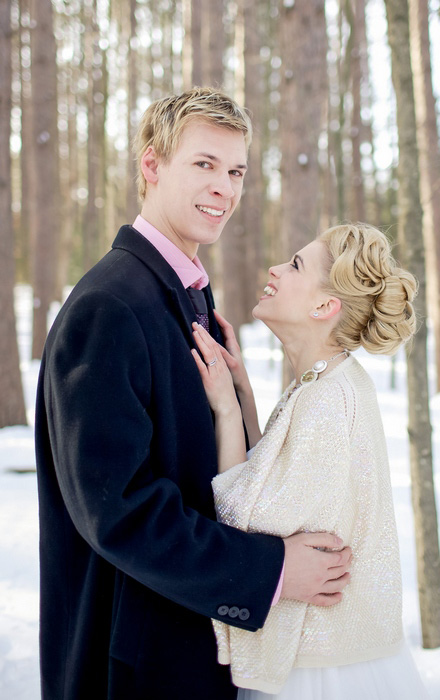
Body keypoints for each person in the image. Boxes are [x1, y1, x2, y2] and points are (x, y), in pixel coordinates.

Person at [34, 87, 352, 700]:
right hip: (129, 664)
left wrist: (243, 411)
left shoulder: (186, 297)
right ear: (151, 166)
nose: (225, 189)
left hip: (187, 653)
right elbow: (119, 511)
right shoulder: (109, 305)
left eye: (235, 171)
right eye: (204, 165)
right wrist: (275, 570)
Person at [192, 222, 431, 699]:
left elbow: (244, 516)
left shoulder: (326, 400)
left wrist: (223, 409)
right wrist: (242, 392)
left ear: (325, 306)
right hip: (337, 653)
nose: (275, 269)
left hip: (319, 673)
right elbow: (276, 476)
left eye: (296, 264)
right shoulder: (330, 382)